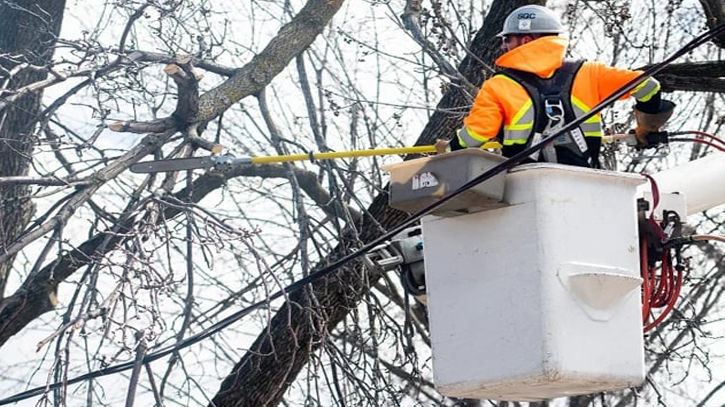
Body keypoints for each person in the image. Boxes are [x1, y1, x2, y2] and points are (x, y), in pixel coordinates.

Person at [449, 4, 674, 168]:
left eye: (507, 39)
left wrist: (448, 151)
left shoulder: (498, 86)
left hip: (526, 186)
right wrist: (647, 128)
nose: (503, 46)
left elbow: (475, 137)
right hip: (584, 180)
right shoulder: (591, 74)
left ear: (526, 40)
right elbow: (648, 86)